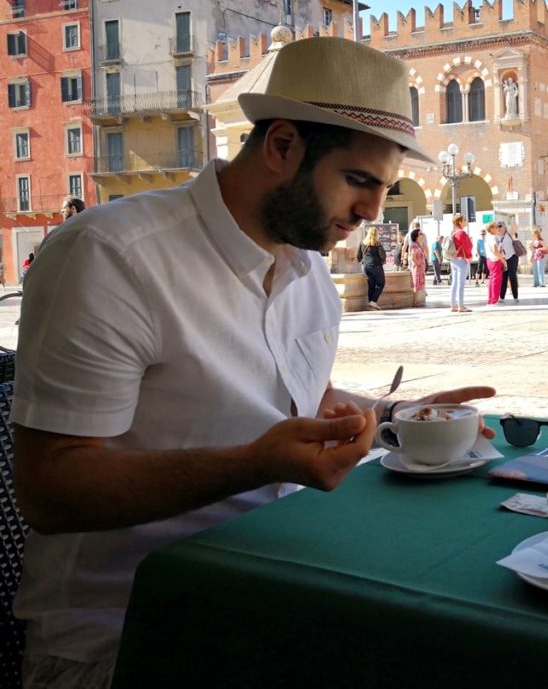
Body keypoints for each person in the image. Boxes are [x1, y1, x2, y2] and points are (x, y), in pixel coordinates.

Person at [10, 36, 496, 687]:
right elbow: (51, 491)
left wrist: (399, 416)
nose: (374, 211)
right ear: (283, 146)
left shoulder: (310, 275)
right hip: (123, 637)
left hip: (272, 594)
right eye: (358, 181)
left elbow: (299, 399)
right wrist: (253, 464)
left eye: (384, 188)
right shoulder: (111, 256)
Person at [358, 225, 387, 310]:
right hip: (376, 266)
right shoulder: (377, 243)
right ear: (376, 234)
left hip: (366, 266)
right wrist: (383, 260)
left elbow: (358, 256)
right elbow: (382, 255)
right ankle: (373, 301)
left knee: (371, 285)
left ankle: (371, 303)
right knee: (381, 283)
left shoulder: (362, 243)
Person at [449, 213, 472, 313]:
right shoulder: (462, 233)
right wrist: (469, 255)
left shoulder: (453, 232)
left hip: (453, 260)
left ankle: (453, 305)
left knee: (454, 283)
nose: (465, 222)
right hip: (461, 260)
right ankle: (461, 306)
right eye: (464, 220)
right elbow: (467, 246)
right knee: (461, 284)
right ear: (460, 222)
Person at [484, 221, 506, 305]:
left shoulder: (487, 237)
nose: (497, 229)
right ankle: (494, 300)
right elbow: (495, 250)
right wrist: (502, 260)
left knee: (491, 280)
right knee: (496, 281)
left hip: (489, 260)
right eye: (496, 227)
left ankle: (490, 299)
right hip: (495, 260)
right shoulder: (493, 237)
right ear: (492, 229)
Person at [498, 223, 520, 303]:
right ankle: (502, 297)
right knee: (504, 278)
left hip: (513, 257)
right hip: (505, 259)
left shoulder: (509, 234)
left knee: (512, 277)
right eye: (498, 227)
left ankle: (515, 297)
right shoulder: (500, 237)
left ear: (505, 227)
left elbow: (514, 228)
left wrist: (512, 223)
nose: (499, 228)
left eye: (500, 226)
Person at [408, 228, 427, 307]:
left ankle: (418, 302)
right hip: (417, 268)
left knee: (419, 285)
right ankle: (415, 302)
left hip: (420, 268)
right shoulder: (414, 245)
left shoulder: (419, 245)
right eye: (420, 234)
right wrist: (419, 265)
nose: (422, 235)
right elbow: (413, 257)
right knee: (416, 285)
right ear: (416, 236)